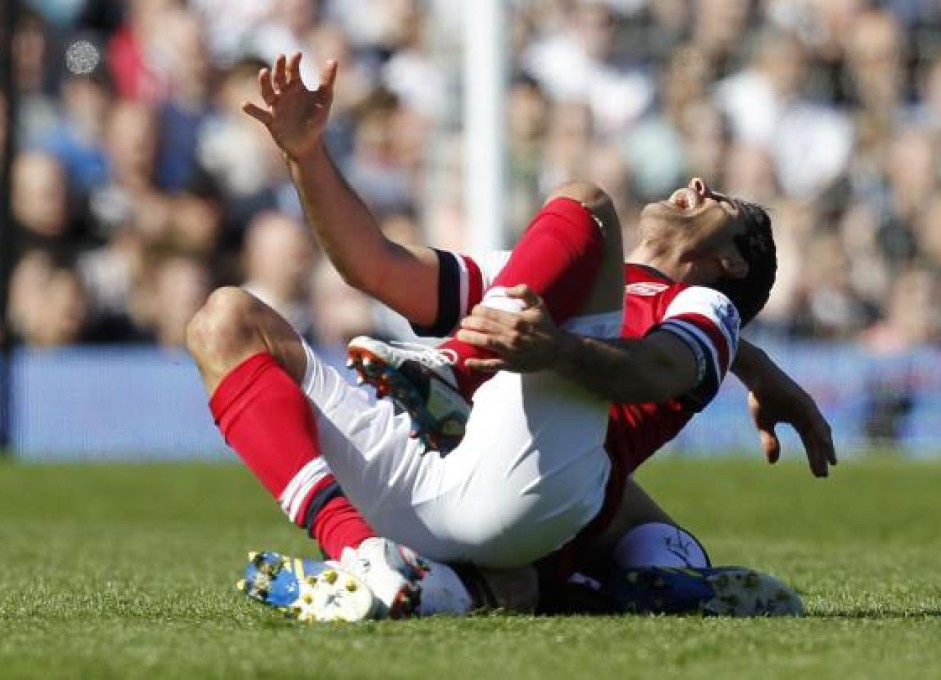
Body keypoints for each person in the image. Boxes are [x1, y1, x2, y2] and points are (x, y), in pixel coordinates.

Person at [188, 52, 833, 622]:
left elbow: (659, 369)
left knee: (586, 203)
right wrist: (308, 156)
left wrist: (553, 350)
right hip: (440, 470)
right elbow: (376, 267)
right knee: (224, 320)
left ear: (734, 263)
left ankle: (455, 378)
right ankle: (366, 555)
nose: (696, 184)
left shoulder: (706, 307)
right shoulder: (533, 274)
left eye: (718, 200)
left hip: (540, 479)